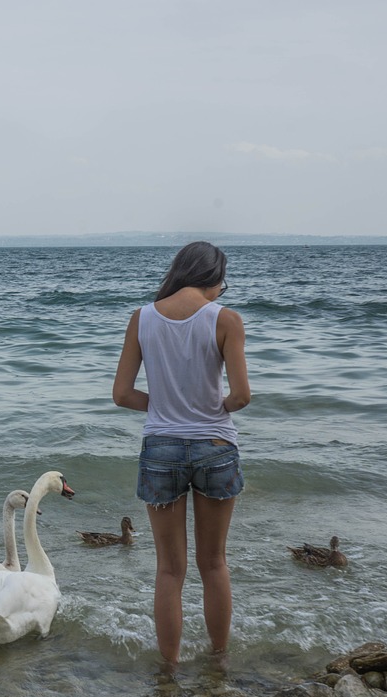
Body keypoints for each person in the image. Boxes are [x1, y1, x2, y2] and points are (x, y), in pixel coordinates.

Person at [112, 241, 251, 669]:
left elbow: (121, 395)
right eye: (221, 283)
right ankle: (218, 661)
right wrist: (212, 409)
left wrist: (164, 406)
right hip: (215, 447)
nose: (220, 292)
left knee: (170, 571)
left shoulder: (143, 318)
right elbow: (242, 396)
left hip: (161, 449)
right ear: (212, 277)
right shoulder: (225, 320)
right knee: (214, 563)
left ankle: (168, 668)